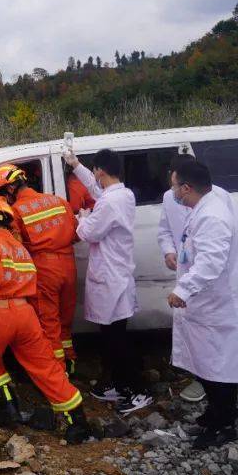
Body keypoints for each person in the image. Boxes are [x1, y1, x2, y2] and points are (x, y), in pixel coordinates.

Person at [0, 196, 91, 444]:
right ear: (9, 222)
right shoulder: (22, 249)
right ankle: (77, 421)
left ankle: (9, 410)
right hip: (26, 315)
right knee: (45, 368)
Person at [168, 160, 238, 449]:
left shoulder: (212, 216)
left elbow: (211, 263)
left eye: (175, 186)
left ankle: (224, 425)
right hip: (207, 307)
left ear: (186, 188)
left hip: (216, 306)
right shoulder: (207, 204)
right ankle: (215, 413)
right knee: (208, 365)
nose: (172, 191)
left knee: (219, 368)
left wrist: (183, 290)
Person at [63, 148, 153, 415]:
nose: (93, 174)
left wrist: (81, 217)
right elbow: (97, 192)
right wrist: (76, 165)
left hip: (111, 280)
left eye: (93, 170)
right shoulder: (122, 194)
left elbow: (89, 232)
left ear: (100, 170)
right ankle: (119, 383)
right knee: (111, 336)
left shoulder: (110, 202)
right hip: (115, 277)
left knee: (116, 340)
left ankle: (138, 390)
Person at [0, 163, 79, 375]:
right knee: (65, 320)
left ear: (10, 189)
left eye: (3, 193)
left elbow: (14, 246)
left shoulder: (17, 212)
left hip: (45, 269)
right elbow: (76, 234)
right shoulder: (59, 201)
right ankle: (71, 361)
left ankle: (58, 374)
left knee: (49, 324)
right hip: (69, 265)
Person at [157, 153, 204, 403]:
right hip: (185, 272)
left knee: (205, 327)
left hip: (205, 277)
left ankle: (206, 379)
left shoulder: (212, 201)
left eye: (174, 181)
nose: (172, 187)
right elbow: (165, 229)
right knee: (189, 325)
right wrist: (169, 251)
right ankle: (197, 372)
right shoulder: (169, 198)